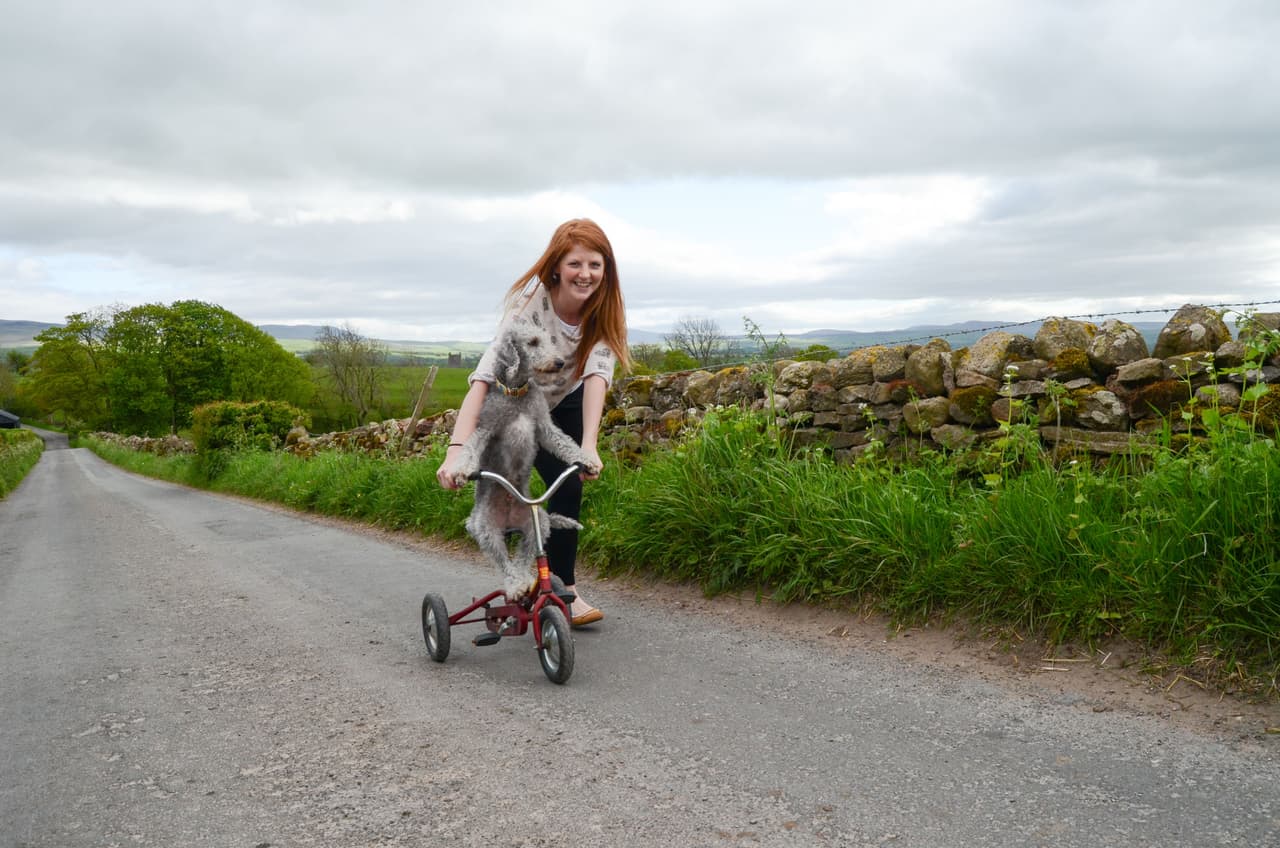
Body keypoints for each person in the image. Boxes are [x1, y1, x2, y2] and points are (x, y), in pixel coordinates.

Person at [436, 218, 630, 627]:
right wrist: (455, 452)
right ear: (557, 266)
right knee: (506, 494)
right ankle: (520, 576)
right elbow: (484, 377)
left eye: (596, 265)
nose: (586, 274)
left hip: (567, 398)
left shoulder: (605, 308)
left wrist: (588, 445)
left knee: (569, 480)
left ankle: (566, 590)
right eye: (576, 264)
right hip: (516, 402)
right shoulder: (529, 307)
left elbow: (597, 377)